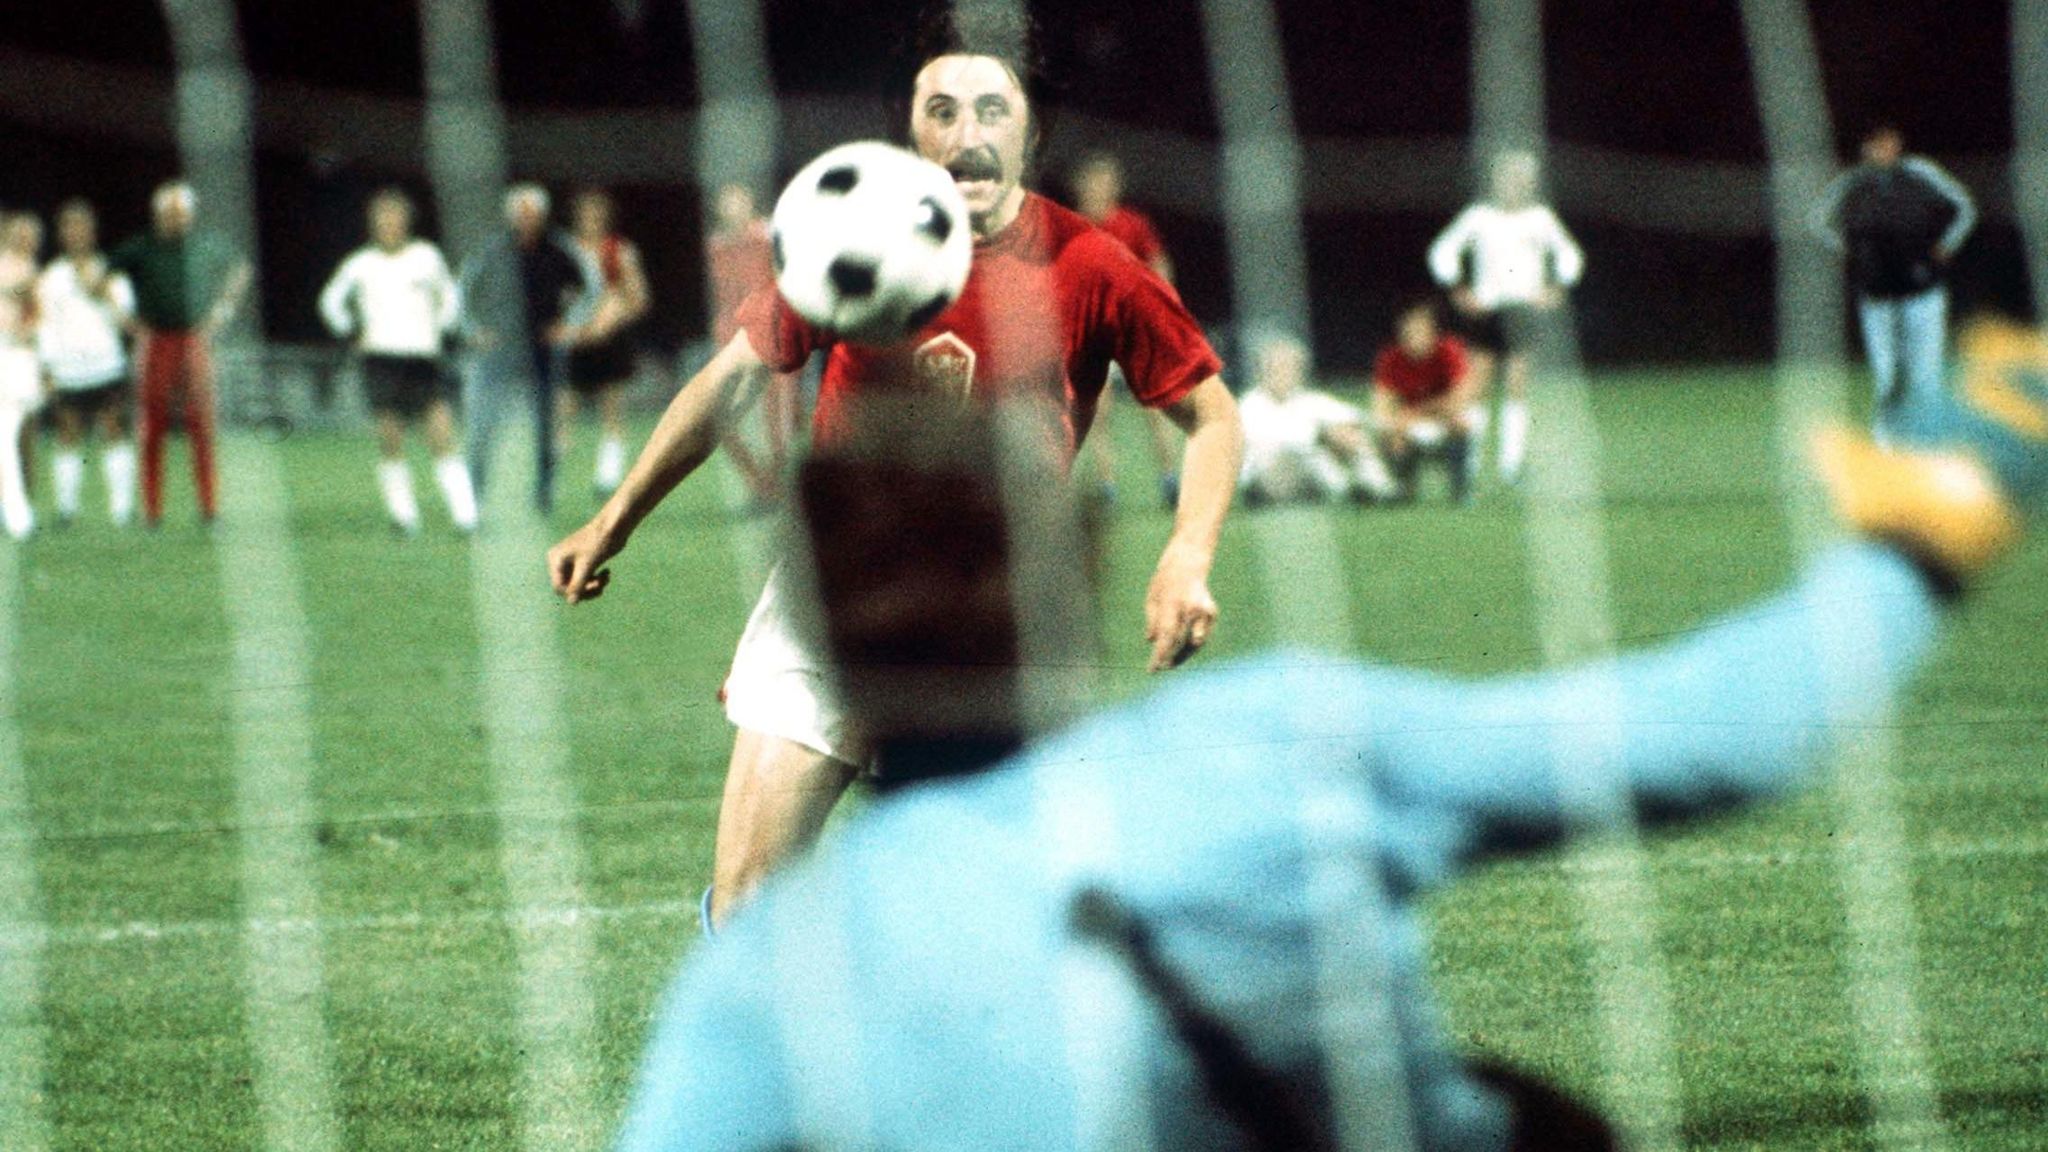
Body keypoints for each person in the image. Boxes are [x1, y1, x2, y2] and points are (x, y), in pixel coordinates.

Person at [610, 335, 2048, 1152]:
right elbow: (1709, 739)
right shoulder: (1274, 744)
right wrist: (1936, 523)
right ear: (1078, 575)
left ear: (818, 633)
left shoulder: (765, 984)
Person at [547, 3, 1245, 929]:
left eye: (993, 110)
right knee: (752, 908)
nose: (968, 137)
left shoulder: (1092, 265)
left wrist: (1188, 551)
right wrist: (614, 517)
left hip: (993, 615)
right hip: (840, 584)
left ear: (1033, 125)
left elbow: (1212, 413)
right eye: (942, 111)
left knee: (987, 925)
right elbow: (732, 382)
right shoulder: (853, 237)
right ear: (909, 129)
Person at [317, 188, 475, 535]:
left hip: (421, 357)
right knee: (389, 437)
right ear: (373, 224)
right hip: (381, 359)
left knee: (441, 433)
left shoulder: (426, 257)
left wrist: (442, 326)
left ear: (406, 222)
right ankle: (403, 517)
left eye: (395, 217)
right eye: (382, 218)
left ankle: (466, 516)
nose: (389, 224)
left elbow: (450, 297)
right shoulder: (360, 264)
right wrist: (351, 331)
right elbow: (330, 301)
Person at [1809, 123, 1978, 444]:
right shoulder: (1855, 182)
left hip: (1922, 289)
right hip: (1878, 293)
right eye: (1874, 144)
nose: (1882, 149)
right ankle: (1887, 441)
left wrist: (1948, 244)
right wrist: (1848, 250)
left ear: (1896, 143)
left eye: (1886, 142)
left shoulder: (1918, 173)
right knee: (1887, 372)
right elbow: (1818, 219)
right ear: (1865, 149)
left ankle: (1931, 442)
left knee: (1926, 370)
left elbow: (1964, 208)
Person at [1427, 149, 1583, 485]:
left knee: (1517, 385)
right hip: (1488, 310)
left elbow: (1569, 254)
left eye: (1522, 180)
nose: (1515, 186)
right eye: (1508, 179)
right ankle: (1468, 466)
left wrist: (1555, 287)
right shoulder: (1479, 217)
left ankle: (1511, 466)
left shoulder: (1540, 218)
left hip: (1523, 309)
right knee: (1477, 386)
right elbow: (1443, 250)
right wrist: (1459, 290)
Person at [107, 180, 250, 528]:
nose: (174, 221)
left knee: (201, 422)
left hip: (193, 338)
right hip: (157, 340)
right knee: (151, 424)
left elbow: (240, 268)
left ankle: (209, 505)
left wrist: (223, 311)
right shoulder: (141, 247)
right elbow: (105, 276)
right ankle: (152, 508)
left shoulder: (204, 245)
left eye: (180, 214)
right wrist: (125, 318)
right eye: (169, 214)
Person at [456, 183, 597, 516]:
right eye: (520, 214)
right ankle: (477, 496)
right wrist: (474, 331)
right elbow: (464, 289)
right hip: (499, 350)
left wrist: (569, 324)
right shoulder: (493, 250)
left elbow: (590, 287)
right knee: (485, 425)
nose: (526, 220)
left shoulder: (559, 249)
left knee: (546, 427)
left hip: (544, 351)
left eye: (532, 214)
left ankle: (543, 496)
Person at [1071, 150, 1185, 509]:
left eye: (1104, 182)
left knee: (1156, 407)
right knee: (1096, 413)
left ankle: (1171, 481)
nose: (1097, 188)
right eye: (1091, 182)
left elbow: (1159, 263)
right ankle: (1107, 489)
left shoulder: (1132, 223)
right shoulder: (1071, 225)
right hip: (1094, 335)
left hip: (1133, 329)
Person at [37, 199, 138, 528]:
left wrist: (102, 292)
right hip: (68, 370)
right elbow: (45, 324)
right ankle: (67, 509)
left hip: (106, 365)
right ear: (61, 234)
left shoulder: (111, 270)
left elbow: (127, 319)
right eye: (69, 227)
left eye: (82, 226)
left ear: (93, 232)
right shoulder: (52, 276)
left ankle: (121, 510)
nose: (76, 233)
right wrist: (48, 367)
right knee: (67, 436)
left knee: (114, 431)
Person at [706, 182, 801, 511]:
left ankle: (773, 489)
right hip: (732, 343)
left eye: (738, 200)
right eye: (726, 201)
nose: (731, 207)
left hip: (773, 338)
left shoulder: (770, 236)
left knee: (781, 424)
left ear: (750, 203)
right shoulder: (715, 246)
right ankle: (761, 483)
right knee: (720, 420)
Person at [561, 188, 651, 499]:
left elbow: (638, 299)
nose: (591, 218)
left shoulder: (619, 250)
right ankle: (550, 475)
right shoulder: (565, 249)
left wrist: (609, 320)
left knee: (612, 408)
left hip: (609, 339)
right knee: (563, 407)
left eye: (597, 212)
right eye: (585, 212)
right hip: (573, 338)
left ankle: (608, 478)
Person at [1236, 330, 1392, 506]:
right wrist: (1320, 436)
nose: (1284, 374)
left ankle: (1380, 489)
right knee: (1304, 456)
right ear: (1263, 372)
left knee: (1348, 435)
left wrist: (1342, 432)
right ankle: (1345, 492)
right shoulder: (1248, 406)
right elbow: (1267, 443)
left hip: (1309, 470)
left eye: (1290, 368)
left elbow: (1358, 418)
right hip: (1267, 475)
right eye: (1277, 368)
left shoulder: (1310, 401)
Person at [1374, 298, 1482, 504]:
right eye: (1408, 333)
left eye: (1419, 332)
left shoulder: (1449, 351)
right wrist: (1395, 426)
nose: (1413, 338)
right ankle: (1403, 488)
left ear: (1432, 333)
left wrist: (1414, 413)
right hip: (1414, 424)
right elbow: (1381, 406)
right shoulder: (1390, 358)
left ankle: (1460, 490)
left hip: (1441, 420)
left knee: (1464, 422)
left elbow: (1459, 399)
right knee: (1384, 428)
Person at [0, 212, 44, 540]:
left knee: (11, 437)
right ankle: (15, 512)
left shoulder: (33, 272)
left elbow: (37, 320)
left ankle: (18, 511)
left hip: (18, 356)